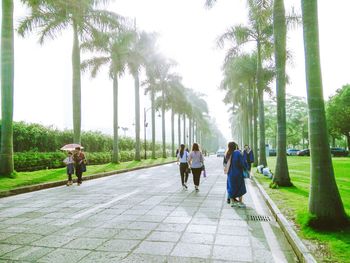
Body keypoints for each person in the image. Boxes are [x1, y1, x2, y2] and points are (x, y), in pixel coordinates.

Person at [226, 141, 247, 208]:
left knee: (231, 187)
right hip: (238, 173)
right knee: (240, 187)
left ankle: (233, 202)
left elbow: (225, 164)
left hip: (230, 174)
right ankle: (240, 202)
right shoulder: (237, 153)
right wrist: (246, 168)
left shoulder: (227, 154)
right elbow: (242, 163)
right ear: (235, 146)